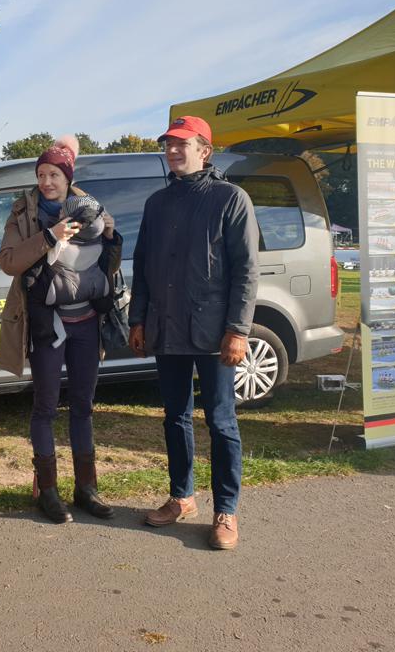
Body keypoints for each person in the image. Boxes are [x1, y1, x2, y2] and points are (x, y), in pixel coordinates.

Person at [128, 116, 258, 550]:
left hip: (214, 331)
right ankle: (182, 497)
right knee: (175, 416)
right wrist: (138, 320)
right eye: (168, 144)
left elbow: (246, 271)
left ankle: (226, 510)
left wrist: (237, 330)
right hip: (167, 327)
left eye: (181, 144)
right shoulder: (157, 203)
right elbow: (143, 266)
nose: (172, 150)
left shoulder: (230, 198)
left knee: (221, 420)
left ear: (205, 151)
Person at [0, 135, 119, 524]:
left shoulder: (91, 208)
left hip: (87, 323)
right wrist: (50, 236)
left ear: (68, 178)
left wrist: (112, 235)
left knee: (83, 406)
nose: (47, 181)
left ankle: (87, 489)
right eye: (41, 174)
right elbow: (8, 261)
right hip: (47, 324)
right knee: (45, 407)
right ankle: (48, 492)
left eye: (54, 174)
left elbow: (108, 266)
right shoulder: (23, 213)